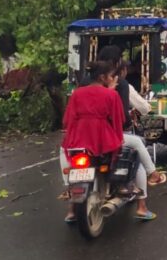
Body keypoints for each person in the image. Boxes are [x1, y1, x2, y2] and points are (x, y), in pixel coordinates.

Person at [59, 61, 157, 222]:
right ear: (103, 77)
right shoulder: (111, 95)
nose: (114, 79)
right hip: (104, 139)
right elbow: (119, 121)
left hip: (78, 139)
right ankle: (146, 189)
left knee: (64, 150)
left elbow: (67, 120)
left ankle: (70, 203)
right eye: (111, 76)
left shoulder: (77, 93)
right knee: (136, 149)